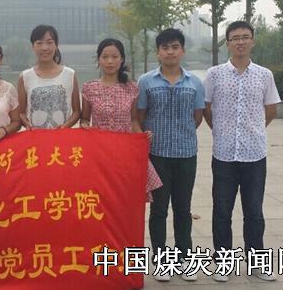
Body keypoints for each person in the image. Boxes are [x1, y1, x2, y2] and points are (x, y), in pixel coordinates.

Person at [203, 21, 280, 282]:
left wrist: (254, 130)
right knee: (222, 211)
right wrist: (221, 131)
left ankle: (257, 263)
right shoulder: (214, 74)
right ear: (227, 43)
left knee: (254, 211)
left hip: (255, 155)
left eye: (245, 37)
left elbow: (271, 109)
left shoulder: (264, 75)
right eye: (235, 38)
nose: (240, 42)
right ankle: (223, 263)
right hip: (223, 155)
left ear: (252, 41)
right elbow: (206, 108)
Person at [136, 28, 204, 282]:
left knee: (183, 209)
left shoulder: (194, 82)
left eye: (175, 47)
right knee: (159, 210)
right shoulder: (146, 82)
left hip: (186, 154)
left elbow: (197, 117)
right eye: (165, 48)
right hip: (157, 155)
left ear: (182, 50)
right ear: (158, 52)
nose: (170, 52)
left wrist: (181, 134)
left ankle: (185, 258)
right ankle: (162, 260)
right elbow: (140, 116)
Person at [80, 38, 162, 202]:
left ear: (122, 59)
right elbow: (84, 119)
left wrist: (142, 136)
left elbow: (133, 120)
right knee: (101, 198)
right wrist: (85, 126)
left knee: (124, 197)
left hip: (125, 153)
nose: (110, 61)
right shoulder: (89, 88)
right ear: (99, 59)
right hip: (99, 153)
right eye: (105, 57)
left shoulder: (131, 87)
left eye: (115, 57)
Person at [18, 25, 80, 129]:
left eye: (49, 42)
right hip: (35, 136)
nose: (44, 48)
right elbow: (21, 113)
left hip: (62, 136)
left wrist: (65, 126)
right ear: (33, 46)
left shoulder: (70, 75)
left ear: (56, 45)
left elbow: (77, 112)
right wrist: (28, 125)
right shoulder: (25, 77)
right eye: (39, 43)